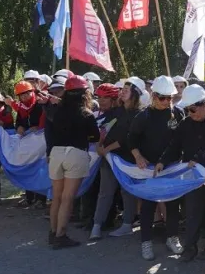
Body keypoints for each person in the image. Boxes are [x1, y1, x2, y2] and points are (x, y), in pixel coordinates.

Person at [155, 85, 205, 262]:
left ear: (204, 104)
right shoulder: (186, 123)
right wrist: (163, 160)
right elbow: (175, 145)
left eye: (192, 109)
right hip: (192, 177)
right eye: (187, 110)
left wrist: (200, 159)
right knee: (192, 212)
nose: (190, 113)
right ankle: (189, 248)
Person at [125, 76, 186, 260]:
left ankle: (172, 237)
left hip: (172, 167)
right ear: (154, 96)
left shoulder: (179, 114)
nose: (167, 102)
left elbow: (180, 140)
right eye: (163, 98)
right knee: (148, 206)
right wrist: (138, 156)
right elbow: (131, 139)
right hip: (149, 168)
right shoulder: (143, 117)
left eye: (171, 98)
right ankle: (146, 242)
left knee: (173, 205)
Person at [90, 78, 151, 241]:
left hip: (127, 159)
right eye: (122, 89)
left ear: (135, 94)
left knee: (127, 192)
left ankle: (127, 224)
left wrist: (106, 149)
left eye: (126, 89)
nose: (122, 91)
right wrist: (100, 144)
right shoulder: (116, 111)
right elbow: (104, 128)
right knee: (105, 192)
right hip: (108, 158)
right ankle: (97, 225)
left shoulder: (139, 114)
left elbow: (127, 137)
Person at [47, 76, 100, 248]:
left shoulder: (56, 111)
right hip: (75, 153)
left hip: (56, 153)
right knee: (68, 198)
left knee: (56, 197)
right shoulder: (86, 114)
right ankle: (61, 235)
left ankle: (53, 232)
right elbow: (95, 137)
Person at [10, 81, 47, 208]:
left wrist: (38, 127)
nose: (24, 97)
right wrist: (19, 127)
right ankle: (29, 197)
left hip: (41, 142)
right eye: (21, 95)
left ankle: (41, 199)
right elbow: (18, 122)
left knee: (39, 169)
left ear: (32, 92)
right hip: (28, 142)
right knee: (28, 166)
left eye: (26, 93)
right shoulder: (21, 108)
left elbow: (45, 121)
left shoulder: (40, 104)